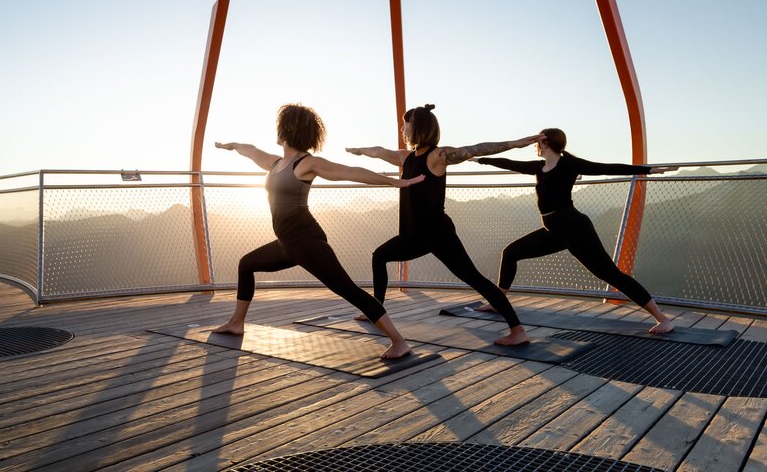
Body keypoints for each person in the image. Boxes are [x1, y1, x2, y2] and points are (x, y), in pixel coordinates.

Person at [213, 103, 425, 359]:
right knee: (246, 264)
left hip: (307, 242)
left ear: (286, 131)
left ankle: (399, 342)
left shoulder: (306, 163)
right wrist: (232, 145)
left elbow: (350, 173)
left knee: (347, 289)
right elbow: (250, 150)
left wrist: (395, 182)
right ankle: (237, 323)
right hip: (286, 243)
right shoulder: (275, 163)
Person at [347, 104, 543, 346]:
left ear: (416, 127)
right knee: (380, 256)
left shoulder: (437, 157)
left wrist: (516, 143)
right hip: (413, 235)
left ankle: (517, 329)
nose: (402, 128)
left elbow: (475, 149)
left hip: (438, 234)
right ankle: (374, 311)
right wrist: (360, 150)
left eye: (405, 124)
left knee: (474, 278)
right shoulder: (405, 157)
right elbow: (379, 151)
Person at [474, 127, 678, 334]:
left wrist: (647, 170)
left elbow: (604, 168)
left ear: (544, 142)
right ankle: (498, 301)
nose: (535, 145)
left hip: (575, 228)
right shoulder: (540, 167)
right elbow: (511, 164)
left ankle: (663, 319)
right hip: (552, 230)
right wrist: (480, 159)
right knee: (510, 253)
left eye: (537, 141)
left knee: (611, 275)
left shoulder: (569, 164)